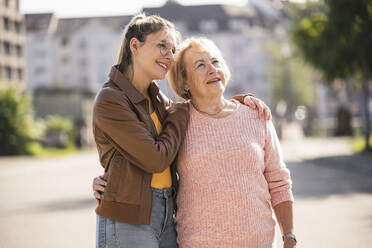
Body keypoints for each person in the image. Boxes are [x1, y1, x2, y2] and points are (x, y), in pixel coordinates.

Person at [92, 14, 271, 248]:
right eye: (162, 46)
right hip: (130, 216)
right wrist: (179, 113)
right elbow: (156, 158)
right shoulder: (111, 99)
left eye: (172, 49)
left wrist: (235, 103)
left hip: (166, 213)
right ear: (135, 46)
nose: (170, 56)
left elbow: (194, 112)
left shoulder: (155, 98)